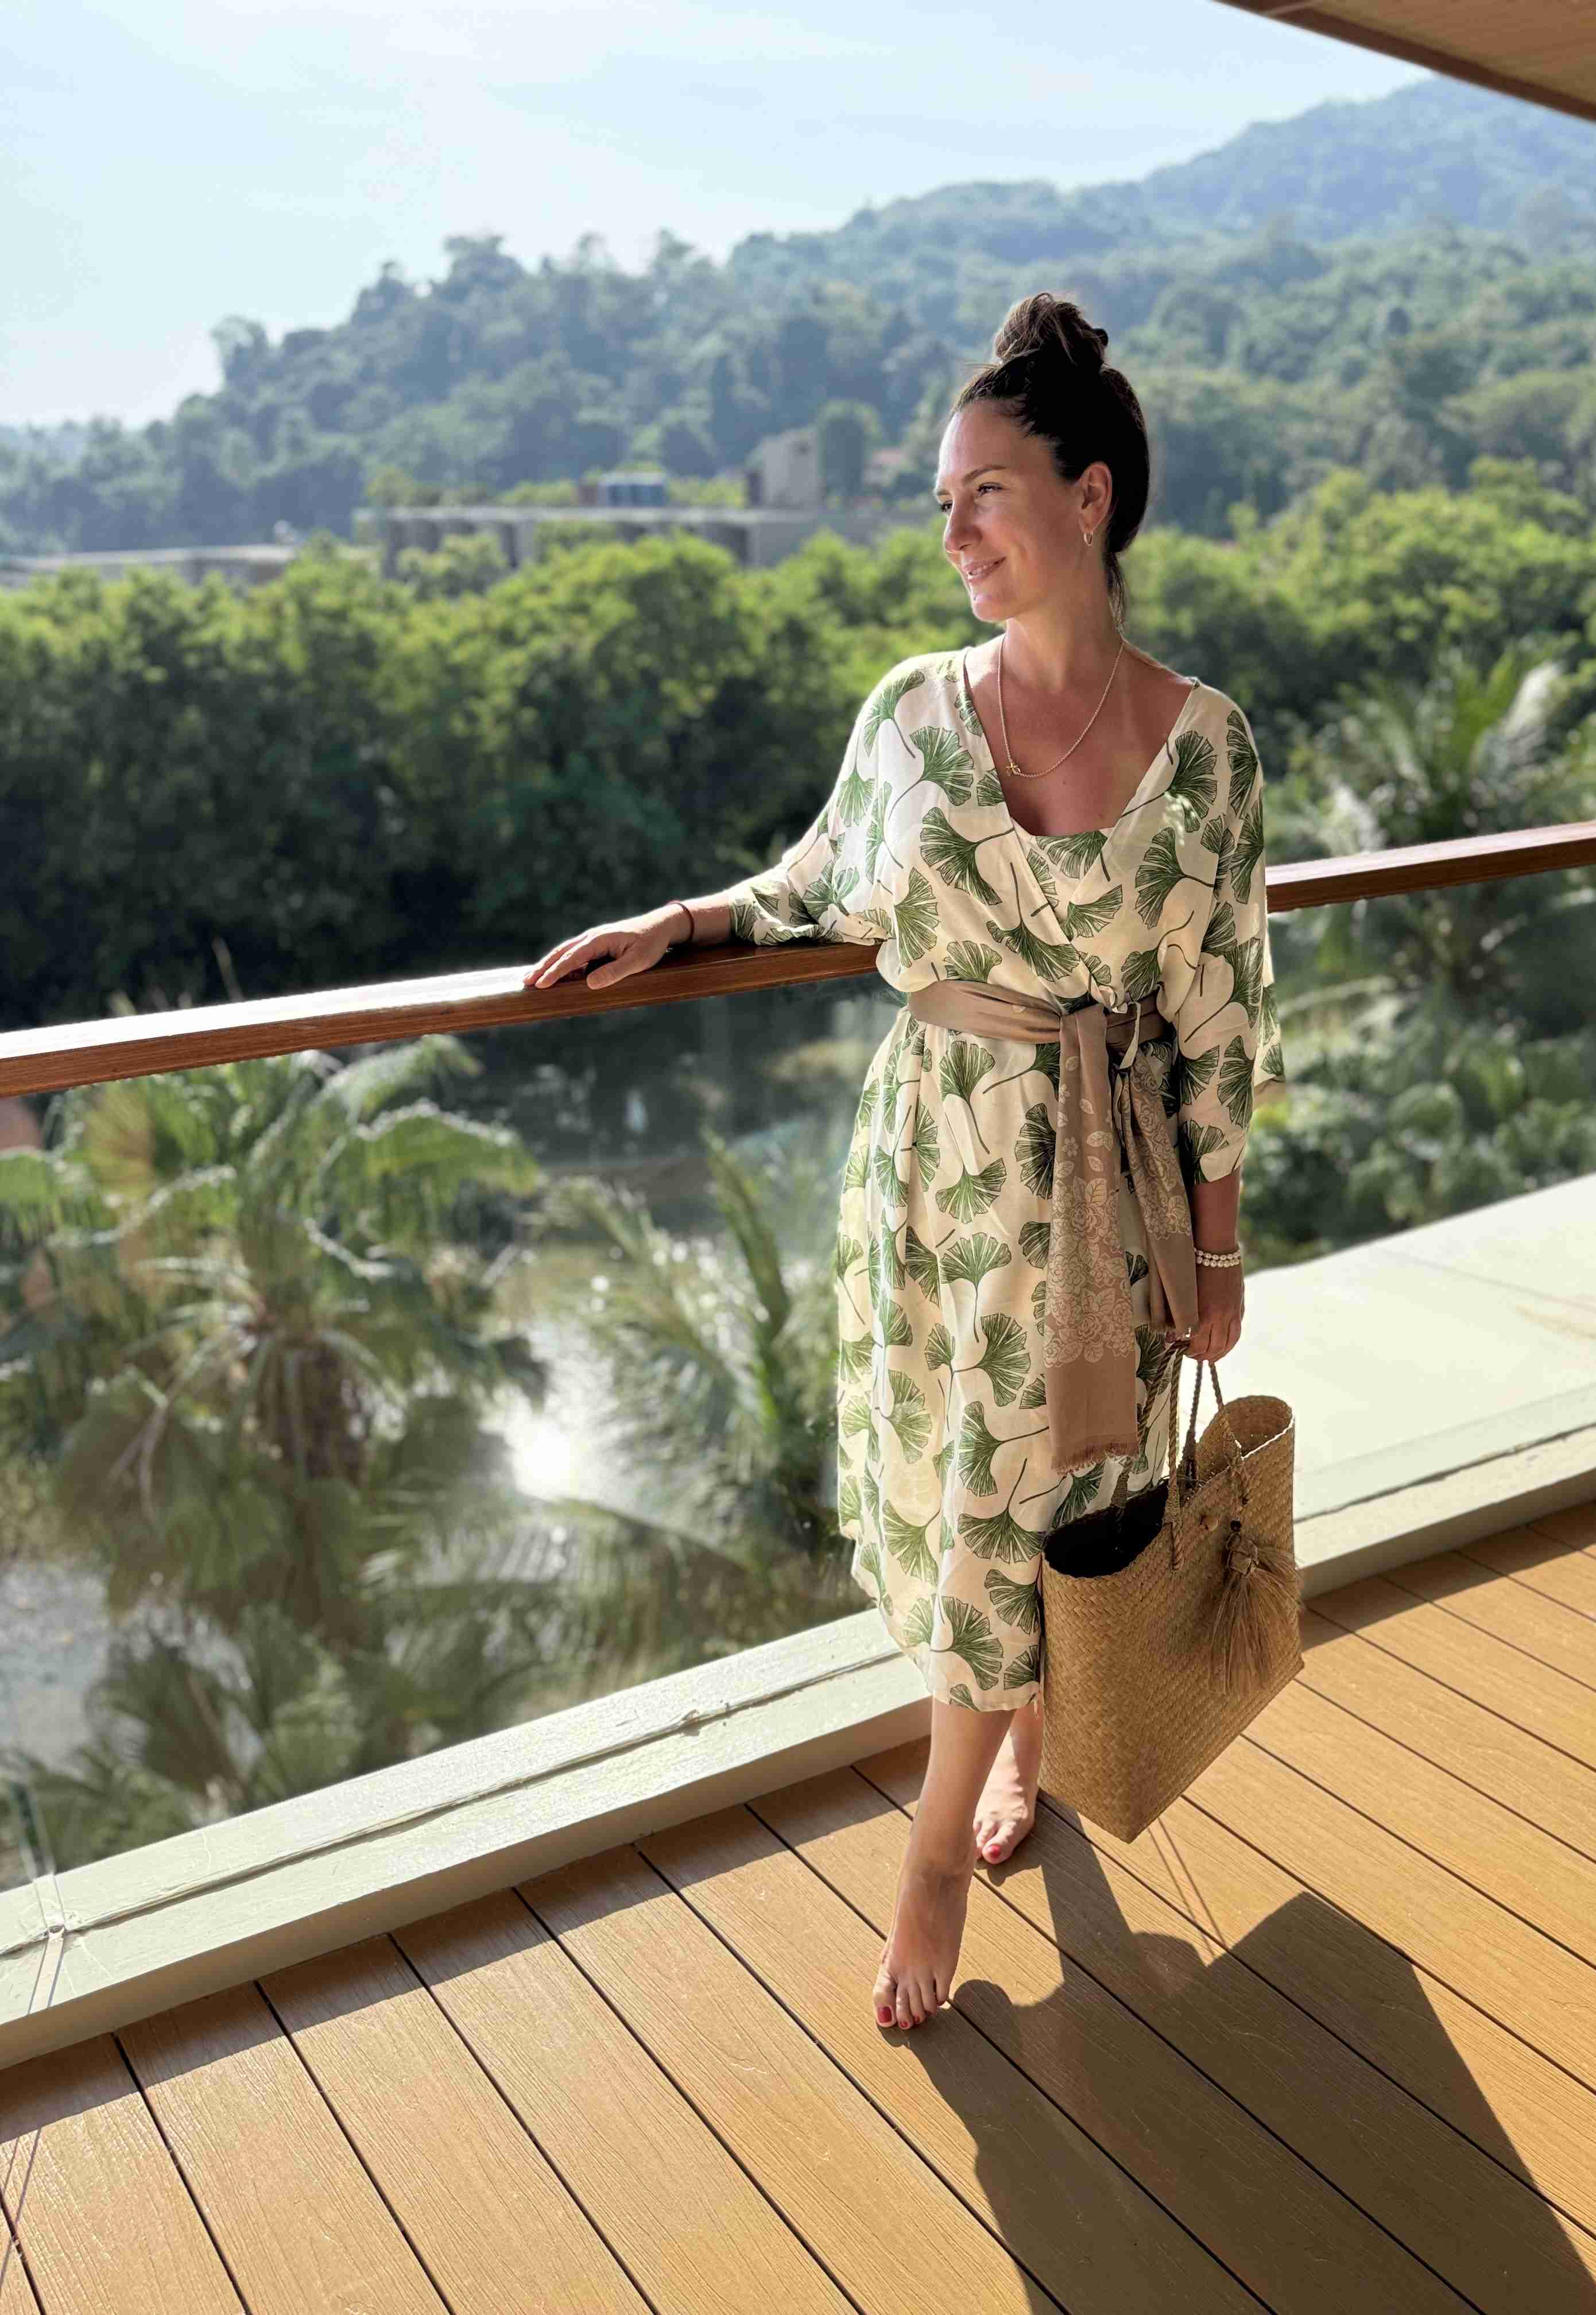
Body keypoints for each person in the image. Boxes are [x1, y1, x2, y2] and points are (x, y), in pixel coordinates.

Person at [524, 291, 1286, 2039]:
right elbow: (821, 884)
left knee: (1036, 1502)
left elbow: (1223, 1013)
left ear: (1089, 498)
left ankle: (934, 1850)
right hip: (933, 1168)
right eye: (942, 502)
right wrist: (683, 923)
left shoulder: (1207, 748)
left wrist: (1221, 1250)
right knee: (973, 1497)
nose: (952, 534)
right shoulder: (914, 712)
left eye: (984, 495)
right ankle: (1021, 1743)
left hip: (1101, 1190)